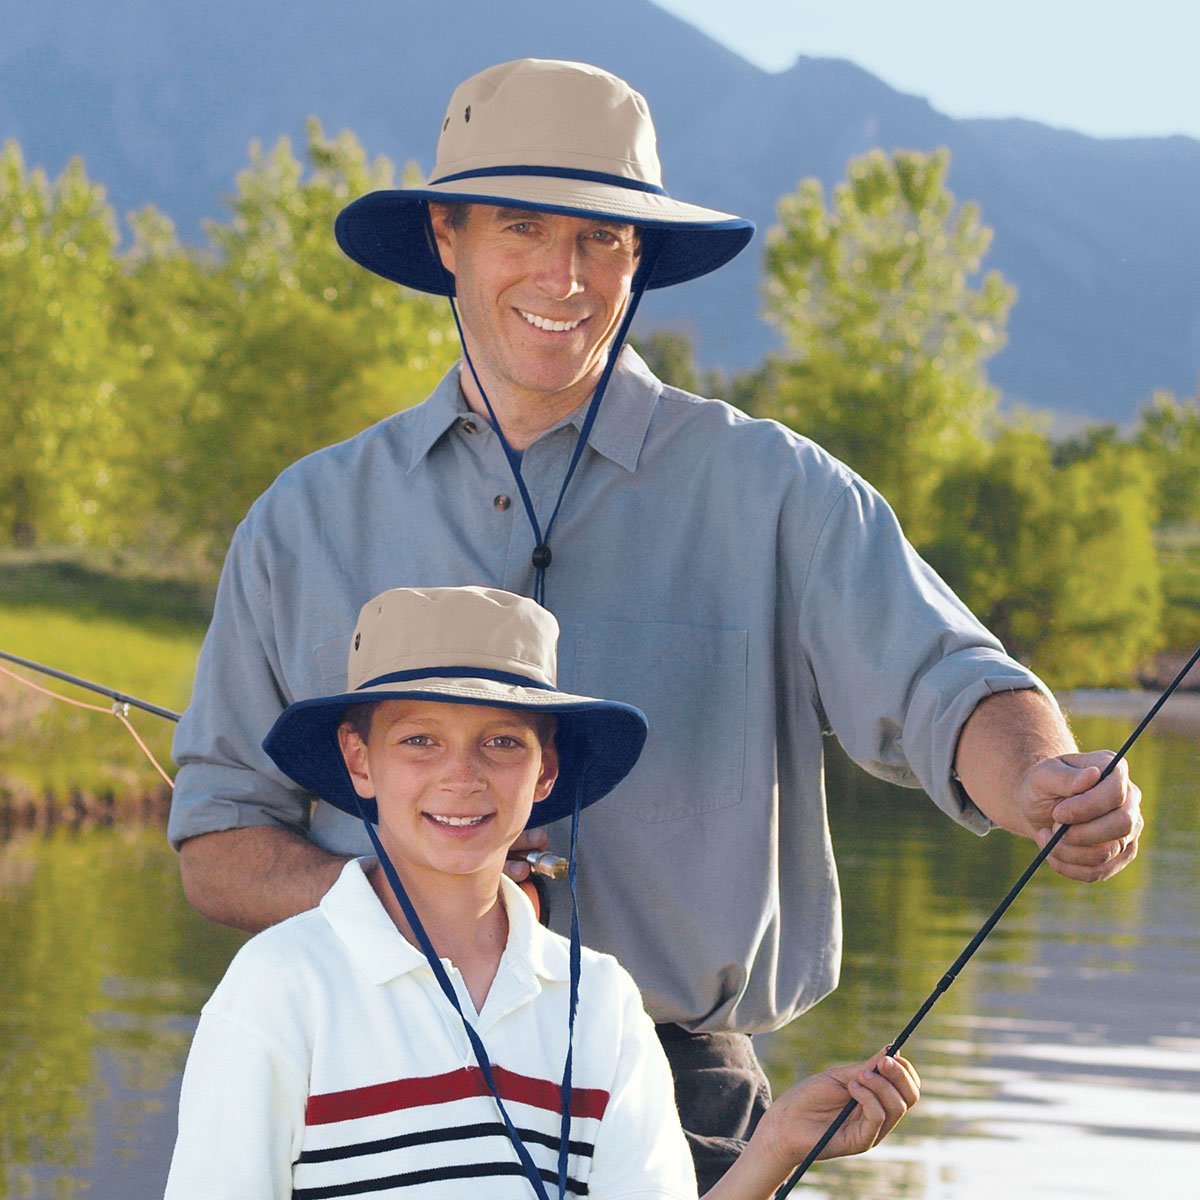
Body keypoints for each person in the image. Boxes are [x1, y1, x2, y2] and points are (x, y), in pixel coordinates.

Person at [169, 58, 1142, 1191]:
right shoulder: (303, 519)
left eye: (603, 238)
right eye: (522, 226)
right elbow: (219, 843)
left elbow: (953, 682)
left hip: (686, 1100)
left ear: (640, 259)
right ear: (447, 235)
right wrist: (406, 901)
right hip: (365, 1087)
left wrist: (1043, 785)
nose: (563, 274)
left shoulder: (778, 489)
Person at [164, 585, 920, 1198]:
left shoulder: (601, 1001)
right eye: (419, 739)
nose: (461, 776)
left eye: (501, 742)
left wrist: (777, 1146)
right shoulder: (279, 986)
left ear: (546, 772)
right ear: (361, 764)